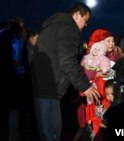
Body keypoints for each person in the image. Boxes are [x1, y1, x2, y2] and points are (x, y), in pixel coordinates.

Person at [31, 3, 100, 141]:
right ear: (76, 15)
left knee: (46, 131)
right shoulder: (69, 28)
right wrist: (85, 86)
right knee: (52, 133)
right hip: (51, 89)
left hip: (42, 86)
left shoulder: (52, 27)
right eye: (85, 20)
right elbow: (68, 61)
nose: (86, 25)